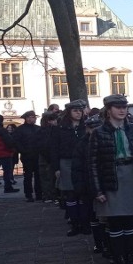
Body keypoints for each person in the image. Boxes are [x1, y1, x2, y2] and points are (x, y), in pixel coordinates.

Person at [90, 94, 133, 264]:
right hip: (112, 179)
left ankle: (132, 261)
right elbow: (93, 163)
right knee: (115, 223)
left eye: (124, 107)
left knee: (132, 222)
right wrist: (97, 190)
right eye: (117, 107)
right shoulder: (99, 132)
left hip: (132, 177)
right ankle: (120, 263)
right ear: (108, 110)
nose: (122, 110)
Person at [51, 100, 88, 235]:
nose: (78, 113)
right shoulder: (60, 129)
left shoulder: (85, 127)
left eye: (80, 111)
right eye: (75, 111)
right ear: (69, 112)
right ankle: (75, 223)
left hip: (83, 162)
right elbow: (54, 149)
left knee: (83, 194)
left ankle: (85, 222)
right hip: (66, 162)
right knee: (70, 194)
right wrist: (56, 168)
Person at [72, 115, 106, 255]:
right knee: (94, 217)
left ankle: (107, 244)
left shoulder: (105, 140)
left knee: (105, 218)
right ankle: (99, 244)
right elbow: (77, 168)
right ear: (87, 128)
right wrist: (80, 188)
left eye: (96, 127)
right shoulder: (81, 144)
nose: (94, 130)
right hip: (88, 186)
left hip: (103, 184)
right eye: (91, 127)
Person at [13, 111, 43, 202]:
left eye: (33, 117)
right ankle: (28, 194)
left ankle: (39, 194)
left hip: (38, 155)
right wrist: (23, 151)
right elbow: (16, 142)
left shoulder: (39, 128)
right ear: (25, 118)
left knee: (38, 176)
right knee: (28, 176)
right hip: (27, 156)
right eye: (29, 117)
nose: (31, 119)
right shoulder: (20, 129)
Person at [0, 114, 17, 194]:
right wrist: (12, 149)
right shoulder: (1, 130)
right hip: (4, 153)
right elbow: (9, 142)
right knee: (7, 171)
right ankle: (8, 187)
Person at [37, 111, 58, 203]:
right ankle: (53, 196)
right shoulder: (52, 131)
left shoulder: (40, 130)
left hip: (42, 156)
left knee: (45, 177)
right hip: (49, 157)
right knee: (51, 177)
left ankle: (47, 196)